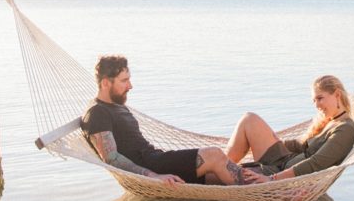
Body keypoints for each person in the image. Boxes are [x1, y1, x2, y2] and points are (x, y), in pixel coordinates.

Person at [81, 55, 260, 186]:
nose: (130, 86)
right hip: (150, 166)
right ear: (105, 83)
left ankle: (267, 181)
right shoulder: (97, 113)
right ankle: (264, 190)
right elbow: (111, 158)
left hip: (156, 158)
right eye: (124, 81)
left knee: (221, 173)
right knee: (214, 155)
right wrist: (152, 176)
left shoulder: (116, 105)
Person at [225, 75, 354, 182]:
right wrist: (274, 140)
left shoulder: (345, 129)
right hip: (284, 160)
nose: (316, 105)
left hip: (282, 173)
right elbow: (301, 145)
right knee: (249, 119)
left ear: (337, 95)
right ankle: (224, 162)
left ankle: (221, 165)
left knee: (214, 169)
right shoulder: (331, 120)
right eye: (314, 100)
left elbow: (316, 163)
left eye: (320, 98)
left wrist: (272, 178)